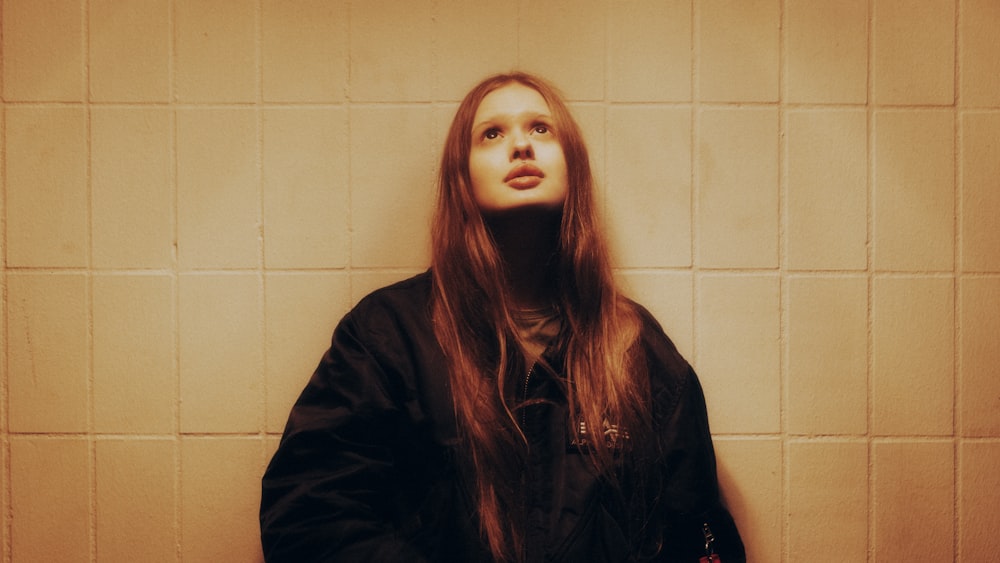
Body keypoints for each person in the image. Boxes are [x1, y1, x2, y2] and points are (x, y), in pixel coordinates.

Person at [259, 72, 745, 562]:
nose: (520, 146)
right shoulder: (390, 335)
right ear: (461, 178)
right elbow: (308, 515)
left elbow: (697, 529)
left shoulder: (634, 345)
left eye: (541, 130)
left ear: (573, 166)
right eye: (492, 134)